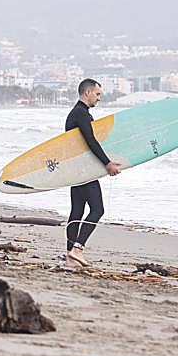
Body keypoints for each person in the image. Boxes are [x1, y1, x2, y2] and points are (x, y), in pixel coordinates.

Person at [64, 79, 122, 269]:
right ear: (87, 92)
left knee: (77, 211)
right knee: (97, 210)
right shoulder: (81, 114)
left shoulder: (76, 113)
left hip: (76, 169)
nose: (99, 98)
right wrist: (107, 164)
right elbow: (91, 142)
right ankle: (77, 249)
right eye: (97, 94)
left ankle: (70, 255)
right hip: (84, 170)